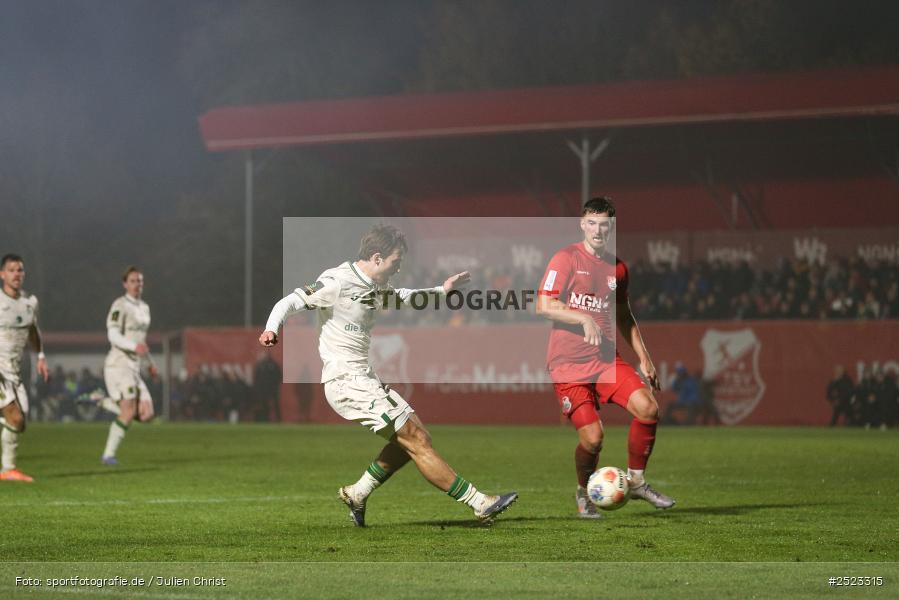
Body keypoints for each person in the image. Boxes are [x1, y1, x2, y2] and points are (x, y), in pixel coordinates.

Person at [259, 224, 517, 526]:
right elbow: (289, 301)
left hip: (363, 378)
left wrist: (441, 291)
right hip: (346, 381)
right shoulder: (337, 281)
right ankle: (479, 502)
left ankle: (358, 492)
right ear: (378, 257)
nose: (398, 269)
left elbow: (405, 297)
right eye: (396, 262)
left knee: (414, 440)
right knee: (416, 439)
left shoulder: (375, 288)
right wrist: (271, 328)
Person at [536, 197, 675, 519]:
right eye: (593, 223)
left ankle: (637, 481)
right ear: (583, 224)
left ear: (611, 227)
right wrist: (582, 319)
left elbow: (625, 317)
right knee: (594, 438)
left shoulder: (618, 268)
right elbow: (543, 305)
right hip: (568, 365)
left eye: (605, 224)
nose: (598, 230)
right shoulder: (566, 258)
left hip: (604, 362)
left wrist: (645, 358)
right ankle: (584, 493)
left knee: (648, 407)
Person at [99, 266, 157, 465]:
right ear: (125, 284)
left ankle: (103, 401)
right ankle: (108, 455)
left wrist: (150, 363)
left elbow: (142, 341)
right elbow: (112, 335)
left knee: (147, 414)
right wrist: (134, 346)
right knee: (129, 411)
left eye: (139, 281)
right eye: (132, 281)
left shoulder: (144, 308)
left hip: (135, 365)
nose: (136, 284)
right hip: (119, 364)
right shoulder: (120, 305)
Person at [0, 254, 50, 482]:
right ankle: (8, 469)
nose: (16, 274)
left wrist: (40, 355)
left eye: (20, 270)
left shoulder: (30, 303)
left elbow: (33, 331)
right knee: (15, 418)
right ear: (2, 274)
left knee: (20, 422)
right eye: (11, 270)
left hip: (14, 372)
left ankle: (8, 469)